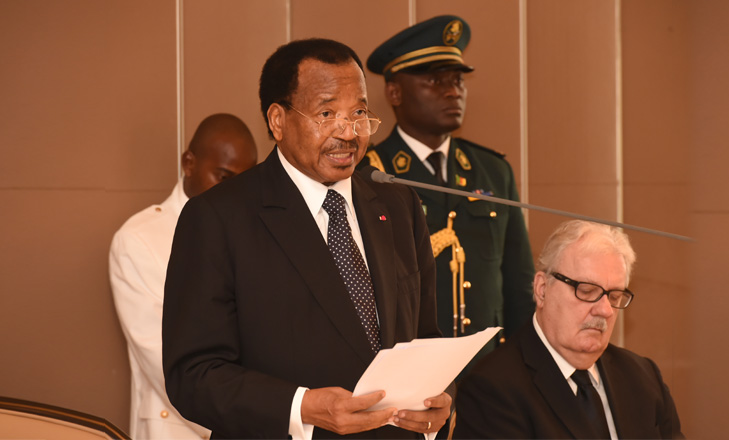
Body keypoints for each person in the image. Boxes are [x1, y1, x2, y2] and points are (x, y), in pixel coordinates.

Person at [162, 38, 452, 439]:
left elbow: (426, 339)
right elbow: (193, 376)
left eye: (359, 113)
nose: (348, 133)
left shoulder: (398, 205)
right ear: (278, 120)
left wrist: (440, 399)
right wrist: (302, 407)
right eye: (327, 113)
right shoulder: (217, 218)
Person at [359, 15, 535, 354]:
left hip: (490, 372)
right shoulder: (369, 175)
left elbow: (518, 284)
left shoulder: (493, 171)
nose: (453, 91)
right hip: (413, 371)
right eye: (435, 81)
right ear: (394, 92)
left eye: (457, 80)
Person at [452, 220, 684, 439]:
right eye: (586, 291)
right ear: (542, 290)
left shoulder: (643, 377)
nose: (605, 310)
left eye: (614, 296)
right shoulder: (492, 388)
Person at [109, 113, 258, 440]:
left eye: (245, 181)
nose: (235, 192)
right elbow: (167, 364)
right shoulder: (140, 240)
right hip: (185, 429)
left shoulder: (257, 235)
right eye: (223, 177)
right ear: (188, 163)